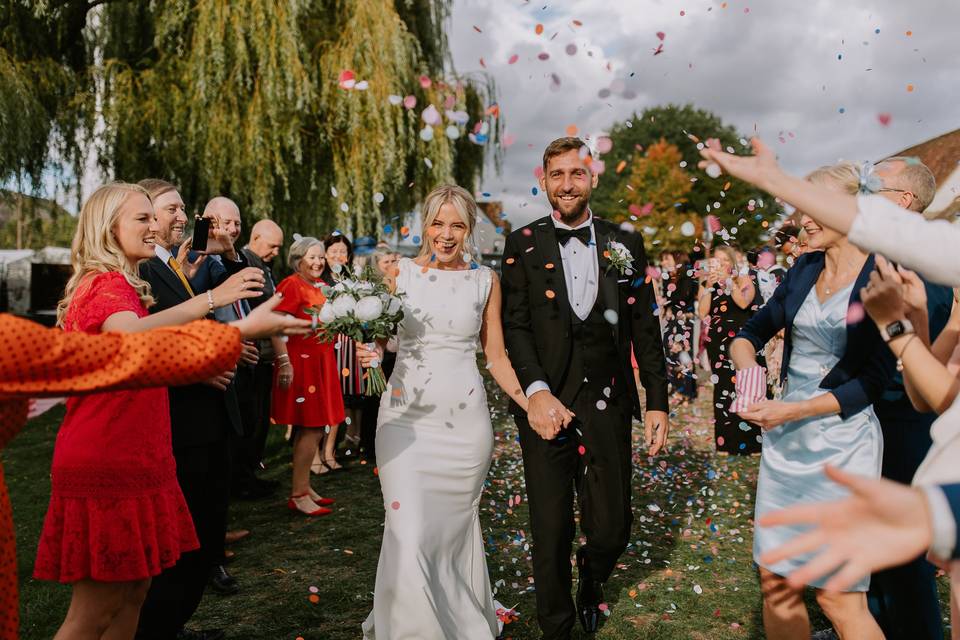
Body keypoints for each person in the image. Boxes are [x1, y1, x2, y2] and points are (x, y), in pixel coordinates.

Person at [29, 182, 263, 640]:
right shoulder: (103, 284)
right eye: (144, 218)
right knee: (91, 614)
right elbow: (132, 337)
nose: (156, 226)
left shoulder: (126, 284)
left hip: (140, 456)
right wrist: (214, 300)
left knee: (135, 592)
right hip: (107, 458)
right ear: (107, 227)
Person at [0, 303, 307, 640]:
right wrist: (237, 329)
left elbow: (114, 354)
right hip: (108, 457)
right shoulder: (10, 339)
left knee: (132, 593)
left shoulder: (10, 340)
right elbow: (119, 354)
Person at [500, 137, 669, 639]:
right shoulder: (521, 244)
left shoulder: (626, 243)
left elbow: (646, 327)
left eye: (577, 174)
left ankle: (592, 576)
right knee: (549, 527)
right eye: (558, 175)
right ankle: (556, 626)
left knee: (613, 526)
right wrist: (535, 391)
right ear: (544, 179)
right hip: (543, 405)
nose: (567, 184)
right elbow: (515, 327)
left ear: (592, 178)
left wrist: (656, 401)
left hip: (609, 402)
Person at [730, 162, 899, 640]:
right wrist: (749, 368)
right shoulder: (803, 268)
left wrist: (796, 409)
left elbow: (873, 382)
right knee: (776, 582)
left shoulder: (881, 273)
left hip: (843, 446)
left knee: (837, 596)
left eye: (812, 207)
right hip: (785, 443)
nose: (801, 219)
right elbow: (751, 332)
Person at [358, 184, 529, 639]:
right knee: (409, 530)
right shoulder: (400, 275)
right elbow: (378, 339)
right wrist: (369, 352)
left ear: (470, 228)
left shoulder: (485, 282)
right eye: (438, 223)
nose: (446, 234)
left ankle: (457, 614)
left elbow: (495, 356)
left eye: (457, 224)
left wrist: (530, 402)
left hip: (466, 423)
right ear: (425, 226)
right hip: (404, 419)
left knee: (449, 531)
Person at [135, 179, 261, 640]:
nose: (183, 217)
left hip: (210, 417)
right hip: (181, 421)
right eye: (171, 208)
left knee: (202, 538)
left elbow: (189, 326)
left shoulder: (180, 264)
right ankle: (159, 628)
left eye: (182, 207)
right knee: (181, 545)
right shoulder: (142, 271)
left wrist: (225, 346)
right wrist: (196, 367)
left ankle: (172, 625)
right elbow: (144, 340)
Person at [862, 158, 951, 640]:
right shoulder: (878, 254)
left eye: (872, 184)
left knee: (904, 546)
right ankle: (870, 625)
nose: (861, 191)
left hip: (904, 415)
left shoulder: (927, 263)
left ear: (902, 202)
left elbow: (928, 347)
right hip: (869, 412)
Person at [270, 236, 344, 516]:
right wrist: (284, 362)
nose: (317, 262)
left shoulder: (320, 286)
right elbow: (276, 325)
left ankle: (305, 486)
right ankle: (298, 493)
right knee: (310, 427)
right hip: (301, 363)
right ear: (298, 259)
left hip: (321, 361)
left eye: (321, 257)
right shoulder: (291, 285)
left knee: (315, 427)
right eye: (312, 257)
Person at [698, 244, 762, 454]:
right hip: (718, 343)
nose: (721, 264)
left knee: (746, 386)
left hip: (742, 342)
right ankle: (726, 442)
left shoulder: (743, 280)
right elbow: (702, 312)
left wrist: (728, 282)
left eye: (725, 260)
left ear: (732, 262)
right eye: (717, 261)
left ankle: (751, 441)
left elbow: (743, 303)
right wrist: (708, 285)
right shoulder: (709, 283)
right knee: (723, 388)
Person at [239, 219, 285, 495]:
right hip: (253, 353)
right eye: (273, 246)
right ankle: (245, 479)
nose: (277, 252)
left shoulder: (262, 264)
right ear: (256, 238)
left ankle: (252, 472)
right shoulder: (246, 263)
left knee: (259, 418)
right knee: (251, 420)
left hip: (264, 354)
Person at [320, 232, 360, 470]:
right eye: (333, 251)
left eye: (342, 251)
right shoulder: (320, 279)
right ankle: (319, 451)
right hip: (325, 344)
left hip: (346, 347)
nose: (337, 255)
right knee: (325, 398)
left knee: (341, 399)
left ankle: (331, 450)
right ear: (324, 254)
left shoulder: (352, 279)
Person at [358, 246, 400, 464]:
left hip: (395, 350)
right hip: (376, 350)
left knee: (393, 397)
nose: (392, 266)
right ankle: (368, 445)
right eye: (387, 263)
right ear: (377, 265)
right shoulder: (371, 290)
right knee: (374, 399)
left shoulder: (398, 286)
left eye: (394, 261)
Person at [659, 250, 698, 402]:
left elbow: (684, 295)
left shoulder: (687, 274)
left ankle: (687, 391)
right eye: (663, 260)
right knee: (671, 353)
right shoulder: (668, 277)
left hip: (685, 320)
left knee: (685, 354)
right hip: (671, 320)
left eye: (666, 258)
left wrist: (667, 303)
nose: (664, 263)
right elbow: (668, 298)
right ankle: (675, 386)